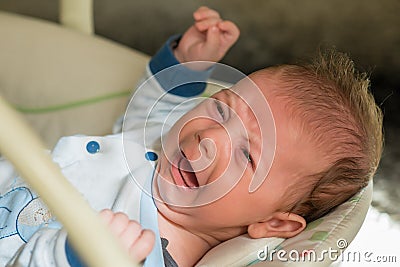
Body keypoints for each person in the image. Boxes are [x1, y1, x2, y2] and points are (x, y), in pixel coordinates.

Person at [0, 6, 383, 267]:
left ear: (274, 225)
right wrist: (183, 69)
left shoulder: (144, 255)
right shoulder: (163, 162)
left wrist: (76, 256)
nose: (209, 138)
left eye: (247, 156)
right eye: (220, 108)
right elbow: (141, 124)